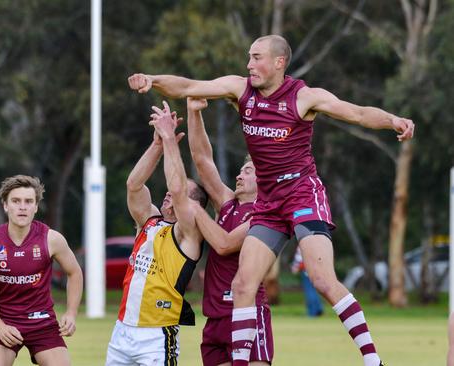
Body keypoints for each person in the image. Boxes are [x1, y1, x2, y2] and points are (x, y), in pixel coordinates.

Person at [128, 34, 414, 366]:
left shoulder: (305, 98)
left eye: (257, 57)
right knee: (243, 284)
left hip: (303, 194)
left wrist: (393, 119)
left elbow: (358, 113)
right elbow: (188, 86)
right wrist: (152, 80)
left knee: (322, 279)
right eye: (249, 57)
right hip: (269, 204)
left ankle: (373, 360)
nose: (249, 64)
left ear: (279, 62)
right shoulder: (241, 90)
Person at [105, 101, 207, 365]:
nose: (168, 195)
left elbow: (177, 189)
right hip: (122, 329)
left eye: (177, 196)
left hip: (157, 334)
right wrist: (158, 145)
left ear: (191, 205)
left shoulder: (189, 233)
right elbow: (134, 184)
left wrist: (170, 138)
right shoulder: (150, 221)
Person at [186, 97, 272, 366]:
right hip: (215, 319)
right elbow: (202, 160)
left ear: (264, 179)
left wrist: (196, 210)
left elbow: (223, 244)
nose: (239, 175)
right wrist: (194, 113)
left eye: (247, 171)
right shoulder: (227, 204)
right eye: (240, 171)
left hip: (246, 312)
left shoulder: (265, 214)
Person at [0, 174, 83, 366]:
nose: (22, 206)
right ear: (6, 205)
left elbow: (75, 273)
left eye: (28, 201)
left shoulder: (51, 239)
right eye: (16, 201)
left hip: (43, 323)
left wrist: (71, 313)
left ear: (36, 207)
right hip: (6, 323)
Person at [290, 246, 323, 317]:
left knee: (309, 291)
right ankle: (318, 309)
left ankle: (312, 312)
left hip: (306, 271)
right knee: (315, 290)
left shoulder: (303, 243)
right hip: (316, 270)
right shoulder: (316, 242)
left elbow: (299, 258)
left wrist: (295, 267)